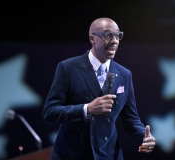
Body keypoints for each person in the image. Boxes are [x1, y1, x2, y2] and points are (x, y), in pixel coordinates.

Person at [42, 17, 155, 160]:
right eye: (108, 35)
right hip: (73, 154)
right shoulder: (68, 68)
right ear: (92, 38)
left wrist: (143, 137)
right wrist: (87, 108)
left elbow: (131, 119)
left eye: (117, 36)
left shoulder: (124, 74)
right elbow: (49, 112)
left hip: (109, 155)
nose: (114, 41)